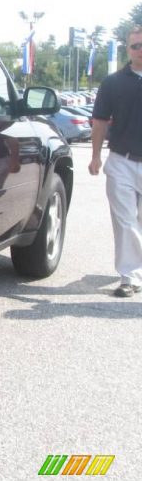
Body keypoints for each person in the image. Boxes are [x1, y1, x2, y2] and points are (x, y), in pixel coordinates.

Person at [88, 25, 142, 297]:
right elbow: (99, 121)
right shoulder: (112, 83)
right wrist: (95, 155)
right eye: (136, 46)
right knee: (125, 222)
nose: (140, 50)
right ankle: (129, 277)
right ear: (128, 49)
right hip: (122, 160)